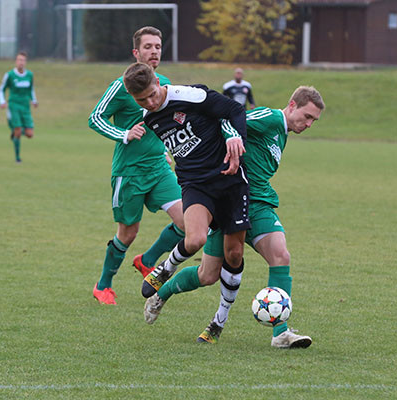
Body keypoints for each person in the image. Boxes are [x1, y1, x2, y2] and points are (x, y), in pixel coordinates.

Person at [144, 86, 325, 349]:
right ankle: (164, 292)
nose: (309, 124)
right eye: (307, 116)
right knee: (207, 275)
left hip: (259, 204)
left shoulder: (282, 133)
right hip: (230, 199)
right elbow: (229, 119)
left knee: (280, 256)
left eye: (314, 121)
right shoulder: (271, 119)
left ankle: (281, 333)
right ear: (293, 105)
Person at [122, 62, 250, 307]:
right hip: (194, 183)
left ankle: (171, 273)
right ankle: (165, 268)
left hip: (225, 177)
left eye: (152, 95)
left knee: (233, 253)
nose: (149, 103)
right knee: (194, 240)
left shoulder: (192, 96)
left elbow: (234, 110)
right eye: (141, 100)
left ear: (159, 83)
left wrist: (237, 139)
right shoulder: (149, 118)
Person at [88, 26, 185, 305]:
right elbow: (95, 118)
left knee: (187, 222)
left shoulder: (164, 82)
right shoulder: (121, 86)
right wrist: (124, 134)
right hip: (128, 173)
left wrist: (167, 149)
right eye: (148, 47)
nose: (154, 51)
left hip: (158, 168)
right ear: (136, 52)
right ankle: (103, 285)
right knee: (128, 233)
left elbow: (166, 123)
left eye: (157, 46)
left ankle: (148, 260)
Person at [0, 51, 38, 163]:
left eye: (23, 60)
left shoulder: (30, 75)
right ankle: (17, 158)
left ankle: (15, 133)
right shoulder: (9, 75)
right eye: (19, 60)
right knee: (18, 130)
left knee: (30, 134)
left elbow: (31, 90)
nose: (21, 62)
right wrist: (2, 101)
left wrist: (34, 100)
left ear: (26, 62)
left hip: (25, 106)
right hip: (14, 105)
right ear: (16, 61)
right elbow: (1, 89)